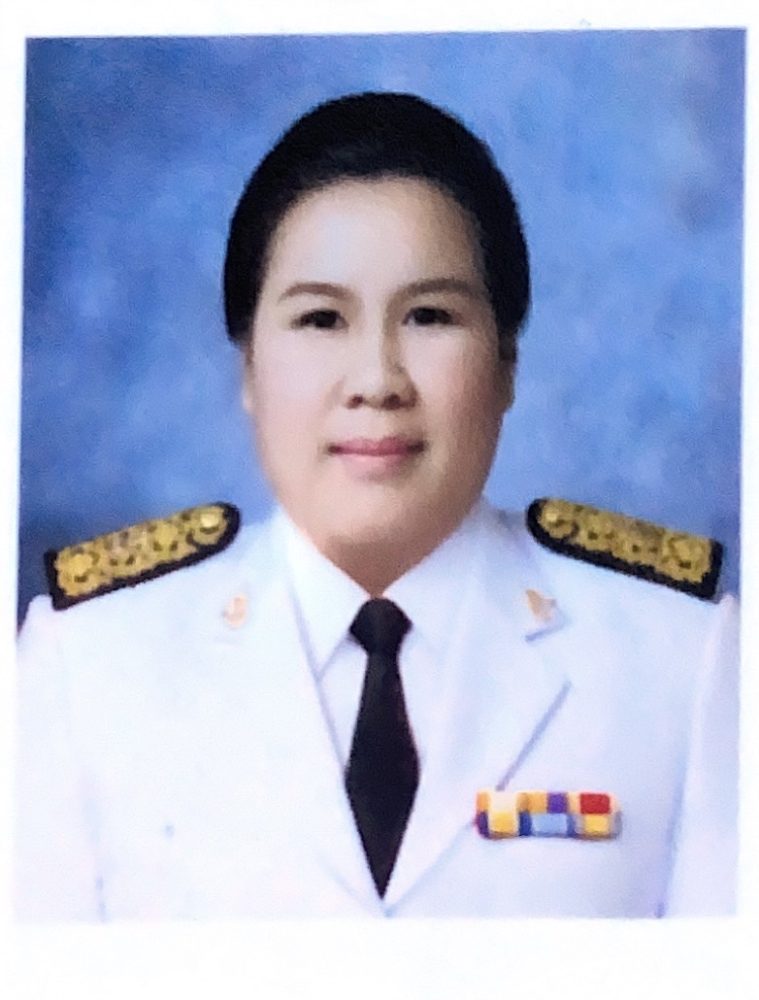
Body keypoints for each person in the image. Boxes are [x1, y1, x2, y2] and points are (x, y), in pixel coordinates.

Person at [15, 92, 738, 920]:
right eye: (320, 319)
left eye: (429, 316)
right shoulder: (88, 666)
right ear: (248, 366)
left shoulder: (680, 659)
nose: (376, 381)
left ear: (506, 362)